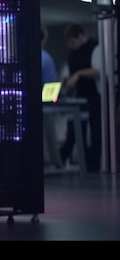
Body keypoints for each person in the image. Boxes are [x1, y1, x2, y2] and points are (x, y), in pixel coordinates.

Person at [59, 24, 102, 173]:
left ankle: (94, 165)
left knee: (96, 133)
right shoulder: (73, 55)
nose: (71, 46)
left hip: (95, 97)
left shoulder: (95, 48)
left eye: (72, 42)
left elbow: (99, 72)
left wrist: (78, 75)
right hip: (79, 98)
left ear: (79, 37)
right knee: (75, 133)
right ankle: (75, 162)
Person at [41, 25, 63, 168]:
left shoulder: (24, 55)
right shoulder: (46, 58)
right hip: (45, 105)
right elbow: (50, 85)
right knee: (50, 135)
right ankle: (56, 163)